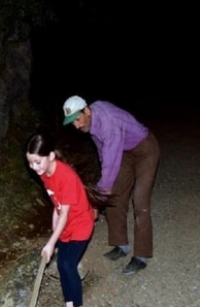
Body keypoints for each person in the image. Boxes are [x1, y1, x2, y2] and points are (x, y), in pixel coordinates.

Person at [62, 95, 160, 275]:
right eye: (72, 122)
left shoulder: (108, 121)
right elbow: (103, 153)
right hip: (124, 152)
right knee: (115, 197)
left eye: (77, 119)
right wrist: (104, 193)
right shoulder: (91, 124)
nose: (76, 125)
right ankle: (121, 245)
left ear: (87, 111)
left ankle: (141, 256)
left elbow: (111, 162)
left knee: (140, 201)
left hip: (145, 150)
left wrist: (97, 197)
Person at [26, 132, 95, 307]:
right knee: (61, 265)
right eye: (30, 162)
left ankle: (76, 304)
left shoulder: (66, 176)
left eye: (37, 162)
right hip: (66, 225)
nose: (34, 167)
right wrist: (54, 232)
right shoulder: (44, 174)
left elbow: (65, 213)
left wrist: (51, 243)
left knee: (68, 264)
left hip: (81, 224)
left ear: (51, 156)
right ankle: (69, 303)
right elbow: (56, 206)